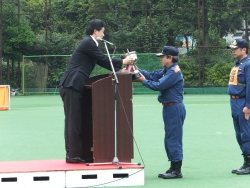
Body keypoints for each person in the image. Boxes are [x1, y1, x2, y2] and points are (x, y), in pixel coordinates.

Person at [59, 19, 134, 163]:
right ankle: (73, 155)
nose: (104, 35)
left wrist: (120, 68)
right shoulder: (88, 42)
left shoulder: (91, 44)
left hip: (75, 85)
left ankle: (75, 153)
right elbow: (103, 59)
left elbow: (102, 61)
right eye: (103, 32)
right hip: (71, 85)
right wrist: (123, 62)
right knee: (73, 121)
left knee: (75, 121)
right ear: (95, 31)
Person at [134, 46, 186, 179]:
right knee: (170, 137)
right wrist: (135, 68)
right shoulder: (167, 70)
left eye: (163, 57)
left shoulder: (173, 72)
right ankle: (173, 166)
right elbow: (151, 75)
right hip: (169, 108)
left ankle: (177, 170)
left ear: (170, 58)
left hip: (174, 108)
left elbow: (158, 85)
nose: (161, 59)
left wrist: (142, 81)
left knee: (173, 138)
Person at [227, 38, 250, 175]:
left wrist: (248, 105)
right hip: (234, 102)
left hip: (242, 103)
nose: (233, 51)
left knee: (246, 133)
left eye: (235, 48)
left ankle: (248, 163)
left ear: (244, 49)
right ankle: (245, 161)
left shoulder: (247, 64)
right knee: (239, 133)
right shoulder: (238, 64)